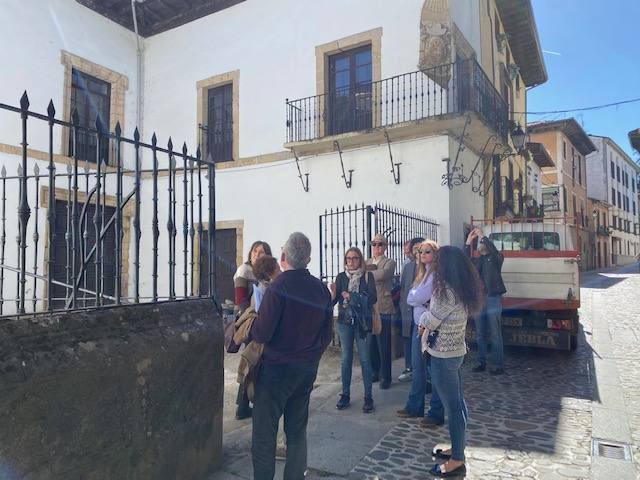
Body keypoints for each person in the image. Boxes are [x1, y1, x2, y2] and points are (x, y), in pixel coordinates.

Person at [250, 232, 333, 480]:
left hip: (275, 371)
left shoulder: (278, 287)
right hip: (305, 369)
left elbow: (262, 333)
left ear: (284, 256)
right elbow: (327, 334)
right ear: (308, 258)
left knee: (264, 436)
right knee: (297, 432)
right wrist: (311, 357)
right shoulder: (320, 289)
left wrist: (249, 325)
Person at [419, 246, 484, 477]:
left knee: (453, 408)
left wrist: (424, 317)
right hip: (456, 351)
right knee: (458, 403)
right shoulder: (461, 287)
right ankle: (458, 448)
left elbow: (433, 319)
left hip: (443, 355)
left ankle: (457, 459)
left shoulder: (445, 291)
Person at [397, 240, 444, 426]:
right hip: (418, 326)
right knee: (418, 369)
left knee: (434, 371)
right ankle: (414, 406)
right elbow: (411, 297)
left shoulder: (436, 276)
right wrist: (417, 297)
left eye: (427, 251)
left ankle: (435, 413)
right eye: (420, 252)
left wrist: (417, 297)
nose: (422, 254)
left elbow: (419, 296)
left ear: (435, 254)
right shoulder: (421, 274)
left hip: (431, 328)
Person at [330, 247, 377, 413]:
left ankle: (368, 397)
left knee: (365, 359)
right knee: (346, 359)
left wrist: (352, 296)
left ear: (360, 259)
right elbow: (334, 301)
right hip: (344, 322)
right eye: (348, 258)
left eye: (355, 258)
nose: (351, 261)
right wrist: (332, 293)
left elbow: (372, 298)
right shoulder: (341, 277)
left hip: (362, 323)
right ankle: (345, 394)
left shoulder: (367, 276)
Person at [233, 240, 272, 420]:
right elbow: (240, 299)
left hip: (264, 321)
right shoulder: (244, 271)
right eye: (255, 251)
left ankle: (246, 405)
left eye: (261, 252)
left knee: (257, 363)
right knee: (250, 361)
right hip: (251, 322)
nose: (257, 254)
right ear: (250, 254)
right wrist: (251, 316)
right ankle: (244, 405)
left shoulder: (266, 273)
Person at [466, 227, 507, 375]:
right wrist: (468, 242)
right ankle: (480, 362)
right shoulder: (476, 261)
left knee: (495, 333)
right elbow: (463, 261)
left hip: (492, 298)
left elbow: (493, 251)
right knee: (480, 334)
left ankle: (497, 364)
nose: (481, 245)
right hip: (479, 300)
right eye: (479, 244)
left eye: (483, 243)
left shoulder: (496, 258)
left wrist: (482, 236)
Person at [366, 234, 397, 390]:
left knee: (384, 344)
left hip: (383, 307)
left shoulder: (390, 262)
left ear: (385, 246)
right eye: (374, 244)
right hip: (370, 307)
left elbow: (383, 275)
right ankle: (375, 372)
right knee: (372, 344)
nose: (376, 247)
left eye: (380, 244)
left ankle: (386, 376)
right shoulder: (368, 262)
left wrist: (364, 273)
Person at [397, 237, 425, 382]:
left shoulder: (430, 267)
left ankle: (423, 372)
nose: (418, 251)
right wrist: (403, 307)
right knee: (408, 340)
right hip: (408, 310)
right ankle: (410, 368)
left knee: (423, 342)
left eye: (420, 248)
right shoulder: (408, 267)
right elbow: (403, 289)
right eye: (415, 248)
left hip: (423, 313)